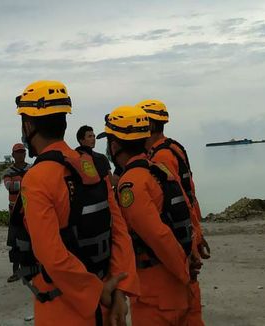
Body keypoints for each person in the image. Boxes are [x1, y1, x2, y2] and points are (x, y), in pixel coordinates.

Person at [12, 80, 140, 325]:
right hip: (109, 298)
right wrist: (119, 290)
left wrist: (96, 292)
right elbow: (118, 230)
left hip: (64, 308)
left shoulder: (38, 177)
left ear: (28, 125)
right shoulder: (91, 165)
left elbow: (51, 255)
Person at [97, 105, 199, 325]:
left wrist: (184, 272)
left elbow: (158, 235)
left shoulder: (131, 183)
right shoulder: (160, 170)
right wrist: (190, 256)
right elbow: (188, 209)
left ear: (114, 146)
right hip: (177, 287)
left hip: (157, 293)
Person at [136, 99, 209, 326]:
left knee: (184, 293)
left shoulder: (161, 157)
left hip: (180, 239)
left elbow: (177, 202)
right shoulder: (174, 148)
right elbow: (189, 196)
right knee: (189, 299)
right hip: (189, 230)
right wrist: (197, 231)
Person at [3, 143, 31, 282]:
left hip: (30, 211)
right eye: (18, 152)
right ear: (13, 155)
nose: (21, 154)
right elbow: (9, 187)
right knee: (14, 243)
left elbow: (14, 185)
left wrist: (19, 184)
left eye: (22, 152)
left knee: (31, 241)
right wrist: (28, 183)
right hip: (14, 212)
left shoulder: (31, 168)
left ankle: (30, 270)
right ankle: (15, 272)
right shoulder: (8, 171)